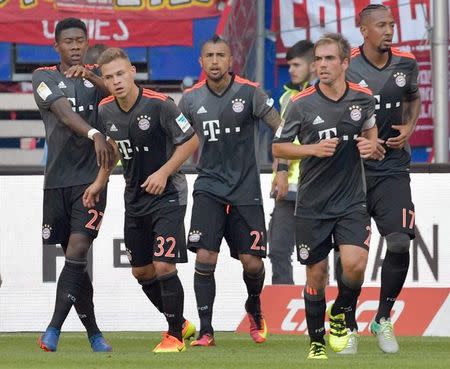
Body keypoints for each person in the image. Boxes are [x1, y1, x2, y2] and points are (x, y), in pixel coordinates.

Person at [83, 47, 199, 353]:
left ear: (132, 72)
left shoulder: (160, 104)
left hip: (168, 194)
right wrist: (98, 183)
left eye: (120, 74)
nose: (116, 81)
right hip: (134, 196)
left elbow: (191, 141)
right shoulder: (106, 109)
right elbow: (113, 150)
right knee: (142, 271)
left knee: (163, 266)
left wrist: (163, 172)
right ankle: (181, 323)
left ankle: (174, 336)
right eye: (109, 77)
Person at [272, 33, 381, 359]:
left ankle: (340, 311)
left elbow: (372, 138)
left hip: (351, 200)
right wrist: (311, 150)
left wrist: (371, 147)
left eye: (329, 59)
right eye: (318, 59)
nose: (322, 65)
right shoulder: (300, 103)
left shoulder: (363, 98)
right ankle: (317, 343)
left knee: (355, 265)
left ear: (345, 63)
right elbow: (278, 147)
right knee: (316, 275)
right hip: (312, 202)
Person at [178, 35, 284, 347]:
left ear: (230, 60)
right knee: (205, 258)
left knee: (252, 262)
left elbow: (280, 130)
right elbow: (176, 139)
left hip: (245, 191)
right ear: (201, 62)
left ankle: (254, 306)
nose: (214, 61)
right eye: (209, 55)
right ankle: (206, 330)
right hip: (208, 188)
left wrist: (280, 170)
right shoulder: (190, 100)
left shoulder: (250, 93)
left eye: (220, 55)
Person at [32, 18, 114, 352]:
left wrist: (94, 76)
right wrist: (94, 132)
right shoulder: (43, 77)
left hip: (91, 181)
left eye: (81, 40)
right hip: (56, 183)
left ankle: (53, 329)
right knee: (73, 262)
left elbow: (125, 97)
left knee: (79, 250)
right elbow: (64, 113)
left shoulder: (99, 74)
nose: (76, 46)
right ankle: (94, 332)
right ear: (58, 46)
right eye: (69, 42)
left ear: (87, 41)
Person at [345, 4, 421, 354]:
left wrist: (410, 125)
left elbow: (413, 98)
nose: (389, 31)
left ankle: (383, 318)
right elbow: (332, 115)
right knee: (353, 260)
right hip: (353, 176)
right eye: (381, 25)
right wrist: (363, 142)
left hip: (392, 170)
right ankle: (346, 322)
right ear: (363, 30)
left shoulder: (406, 64)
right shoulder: (346, 66)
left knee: (400, 243)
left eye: (391, 24)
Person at [269, 40, 316, 285]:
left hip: (318, 186)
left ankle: (323, 308)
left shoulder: (326, 93)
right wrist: (279, 172)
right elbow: (281, 139)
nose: (291, 70)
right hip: (288, 187)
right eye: (289, 65)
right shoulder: (287, 96)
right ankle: (280, 310)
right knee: (277, 251)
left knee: (318, 256)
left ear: (313, 66)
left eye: (297, 64)